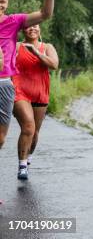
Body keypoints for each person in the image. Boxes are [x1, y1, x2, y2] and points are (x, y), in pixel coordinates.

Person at [0, 0, 56, 153]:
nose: (0, 4)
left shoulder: (13, 21)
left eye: (2, 2)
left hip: (4, 84)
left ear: (7, 4)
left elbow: (45, 14)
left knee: (1, 138)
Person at [12, 24, 59, 180]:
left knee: (35, 132)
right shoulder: (17, 46)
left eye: (35, 26)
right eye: (28, 27)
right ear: (23, 30)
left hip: (40, 93)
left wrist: (37, 53)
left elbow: (54, 65)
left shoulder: (47, 47)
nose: (32, 29)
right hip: (19, 92)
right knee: (28, 127)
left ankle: (28, 156)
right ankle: (22, 165)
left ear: (40, 29)